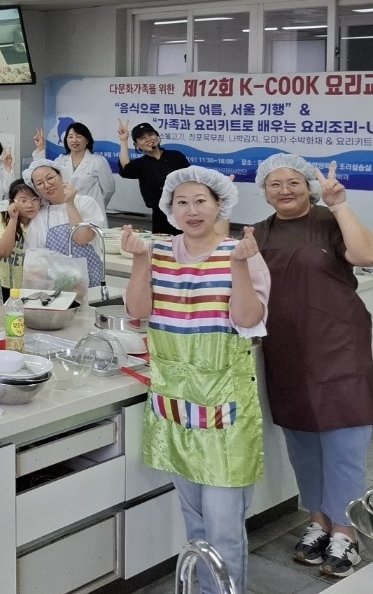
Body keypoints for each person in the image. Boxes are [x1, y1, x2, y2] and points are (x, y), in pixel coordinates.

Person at [119, 167, 270, 594]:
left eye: (201, 200)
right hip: (175, 403)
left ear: (219, 204)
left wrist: (239, 265)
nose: (192, 210)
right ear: (169, 209)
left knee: (223, 524)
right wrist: (139, 260)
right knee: (195, 520)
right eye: (181, 202)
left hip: (225, 405)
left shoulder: (240, 252)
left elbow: (247, 319)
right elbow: (138, 308)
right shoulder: (159, 252)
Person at [250, 154, 373, 578]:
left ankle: (346, 530)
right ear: (264, 190)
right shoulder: (257, 233)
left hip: (339, 342)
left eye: (293, 182)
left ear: (308, 185)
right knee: (302, 441)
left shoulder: (328, 220)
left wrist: (340, 204)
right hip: (286, 347)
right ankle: (318, 521)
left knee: (344, 438)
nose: (284, 190)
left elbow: (368, 256)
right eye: (274, 184)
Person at [23, 159, 107, 288]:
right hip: (55, 284)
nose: (46, 185)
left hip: (90, 279)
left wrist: (70, 203)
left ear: (61, 176)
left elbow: (82, 238)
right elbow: (35, 258)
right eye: (39, 183)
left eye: (50, 178)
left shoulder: (85, 203)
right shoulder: (40, 216)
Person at [118, 120, 190, 234]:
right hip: (160, 214)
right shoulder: (140, 164)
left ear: (157, 136)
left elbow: (190, 179)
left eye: (150, 135)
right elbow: (126, 169)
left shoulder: (176, 156)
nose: (148, 139)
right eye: (142, 138)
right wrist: (123, 141)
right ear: (136, 145)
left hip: (184, 210)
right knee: (162, 248)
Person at [33, 122, 115, 208]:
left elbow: (109, 190)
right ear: (66, 140)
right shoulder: (61, 160)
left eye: (79, 136)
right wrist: (40, 148)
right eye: (70, 137)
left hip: (90, 210)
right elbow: (42, 170)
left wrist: (98, 207)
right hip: (67, 209)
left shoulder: (98, 161)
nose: (74, 140)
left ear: (87, 140)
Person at [0, 180, 42, 294]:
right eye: (23, 200)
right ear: (12, 202)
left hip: (28, 286)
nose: (30, 205)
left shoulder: (41, 221)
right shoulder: (1, 219)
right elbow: (4, 252)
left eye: (34, 199)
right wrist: (13, 218)